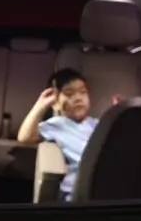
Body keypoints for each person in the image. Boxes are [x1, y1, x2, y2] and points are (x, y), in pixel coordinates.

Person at [17, 68, 107, 202]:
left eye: (83, 92)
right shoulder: (56, 125)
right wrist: (41, 105)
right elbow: (24, 137)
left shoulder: (96, 123)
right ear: (55, 103)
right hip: (79, 190)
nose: (78, 98)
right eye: (69, 94)